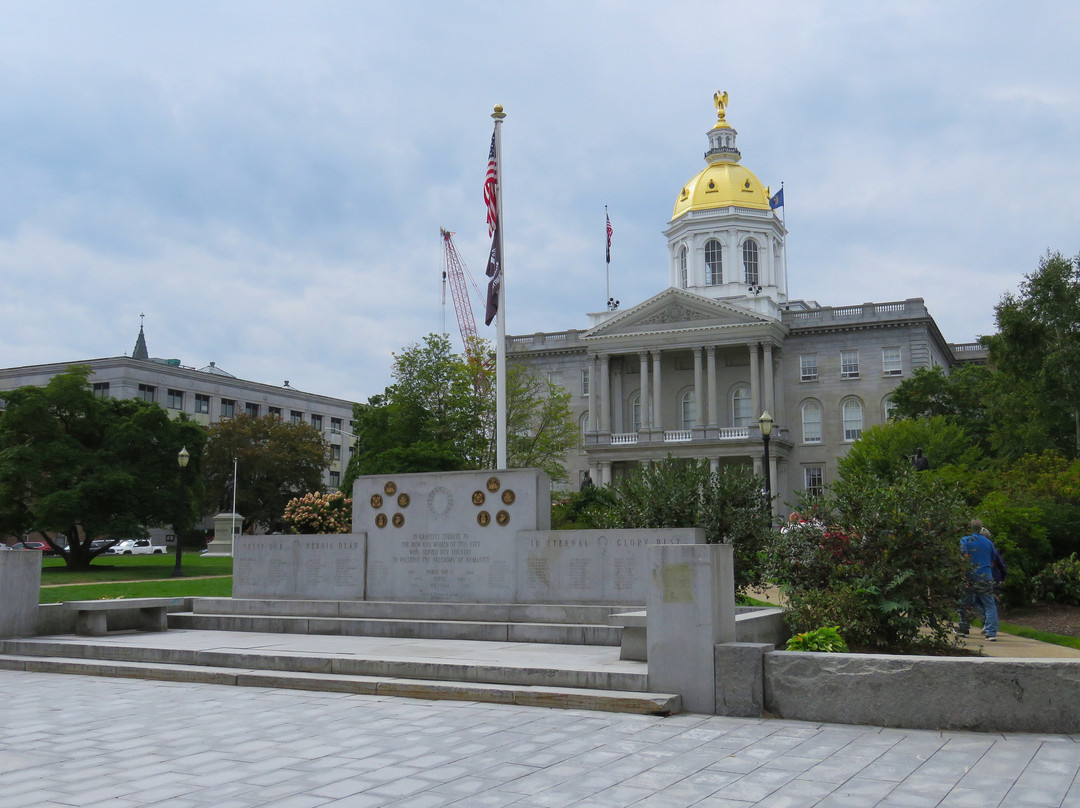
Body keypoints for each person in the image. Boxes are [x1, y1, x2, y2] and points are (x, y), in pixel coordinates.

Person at [957, 518, 999, 641]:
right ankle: (991, 632)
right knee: (989, 604)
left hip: (971, 575)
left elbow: (964, 558)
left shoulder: (965, 540)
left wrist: (964, 575)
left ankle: (964, 628)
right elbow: (992, 562)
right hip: (986, 575)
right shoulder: (988, 543)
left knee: (965, 603)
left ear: (970, 528)